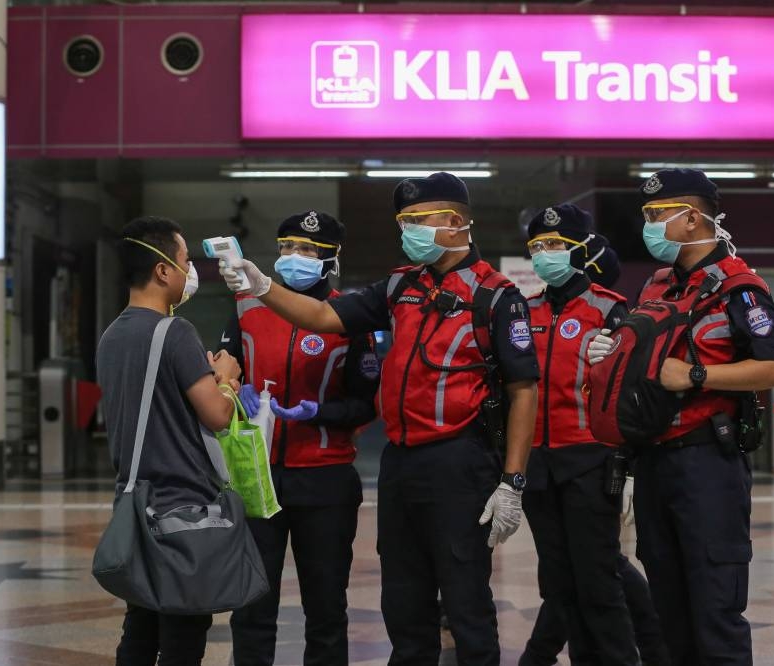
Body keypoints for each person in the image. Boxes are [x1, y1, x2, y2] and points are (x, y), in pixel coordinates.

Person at [218, 172, 540, 665]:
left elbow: (523, 389)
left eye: (416, 220)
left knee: (465, 603)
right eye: (402, 222)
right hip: (401, 464)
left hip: (460, 462)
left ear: (454, 222)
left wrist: (512, 481)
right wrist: (262, 285)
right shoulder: (400, 286)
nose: (405, 231)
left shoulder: (495, 296)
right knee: (403, 605)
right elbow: (326, 317)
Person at [590, 168, 774, 666]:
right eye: (647, 215)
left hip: (707, 464)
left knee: (714, 610)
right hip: (656, 460)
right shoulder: (659, 284)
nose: (651, 225)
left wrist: (697, 376)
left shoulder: (738, 287)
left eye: (659, 214)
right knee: (668, 611)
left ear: (691, 217)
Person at [219, 211, 379, 666]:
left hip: (325, 480)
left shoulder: (348, 316)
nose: (294, 257)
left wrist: (319, 413)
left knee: (326, 608)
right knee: (251, 606)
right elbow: (224, 369)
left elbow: (368, 402)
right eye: (287, 247)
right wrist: (233, 389)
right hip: (257, 475)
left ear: (330, 259)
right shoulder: (248, 306)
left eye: (308, 250)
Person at [518, 205, 668, 666]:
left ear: (581, 248)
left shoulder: (610, 308)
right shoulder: (527, 310)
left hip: (591, 461)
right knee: (559, 583)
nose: (546, 254)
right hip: (539, 467)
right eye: (538, 246)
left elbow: (629, 393)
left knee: (599, 581)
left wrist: (630, 467)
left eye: (557, 245)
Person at [96, 216, 242, 666]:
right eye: (184, 261)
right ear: (162, 270)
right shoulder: (174, 332)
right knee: (183, 632)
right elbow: (216, 415)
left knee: (141, 625)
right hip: (183, 505)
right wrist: (228, 381)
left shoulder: (112, 335)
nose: (188, 272)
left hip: (135, 501)